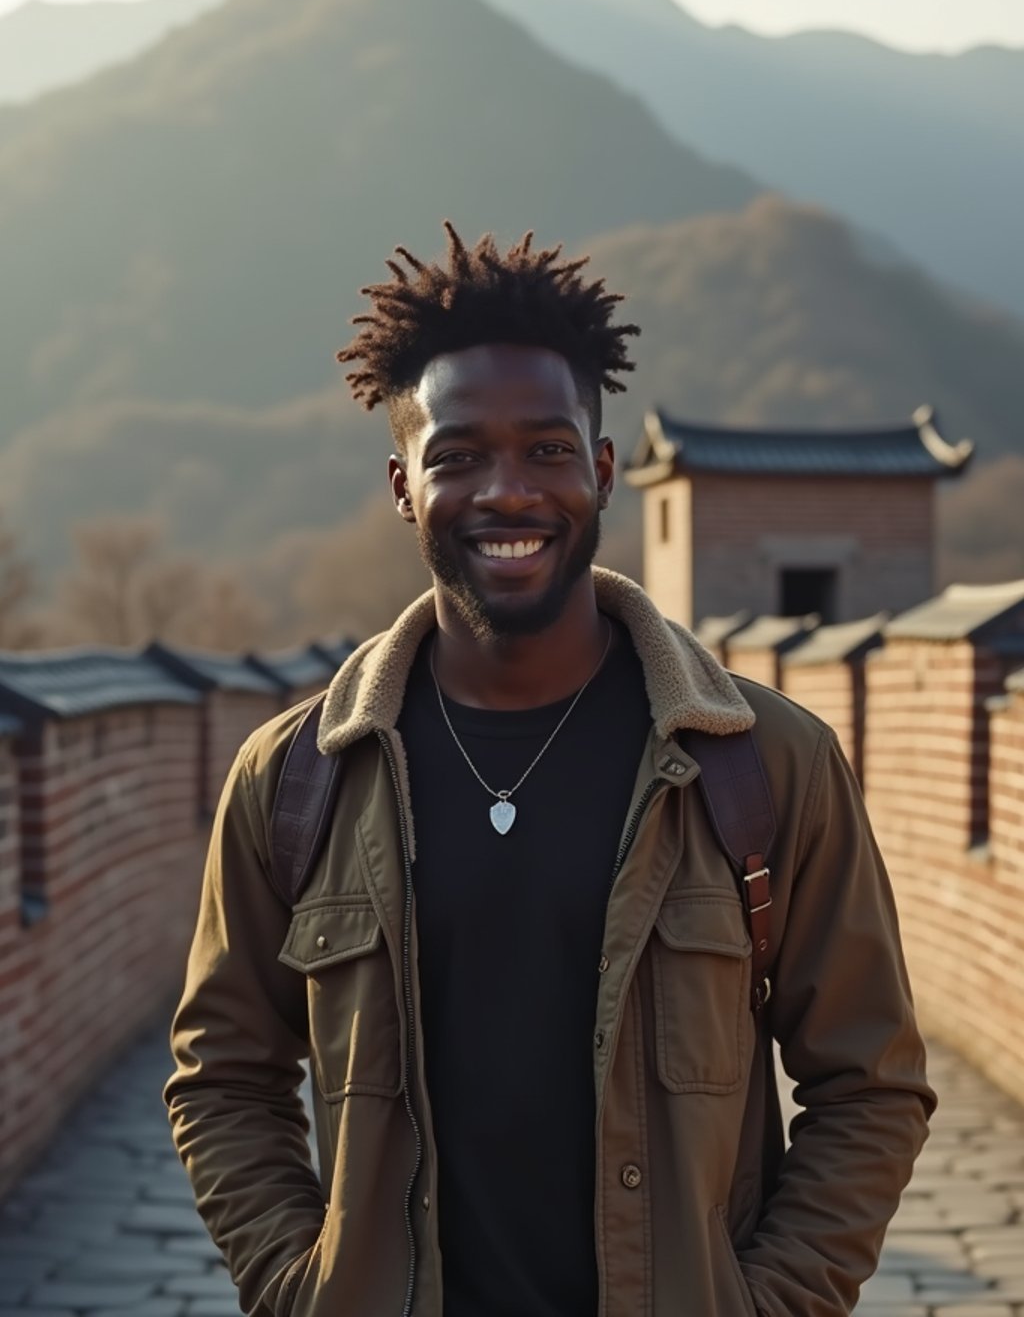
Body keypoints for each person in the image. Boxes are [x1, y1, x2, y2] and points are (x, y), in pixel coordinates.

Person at [165, 223, 935, 1317]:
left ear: (603, 469)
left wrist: (773, 1302)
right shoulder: (297, 776)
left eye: (547, 449)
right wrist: (299, 1286)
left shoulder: (762, 761)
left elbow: (871, 1081)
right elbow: (223, 1074)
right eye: (459, 455)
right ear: (402, 485)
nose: (506, 491)